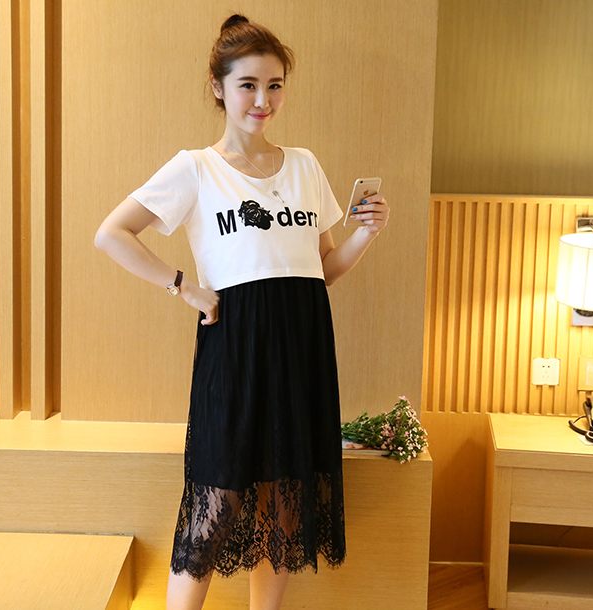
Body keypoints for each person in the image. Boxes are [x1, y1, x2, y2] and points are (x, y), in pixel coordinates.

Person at [94, 14, 389, 610]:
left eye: (275, 85)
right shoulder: (195, 168)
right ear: (219, 87)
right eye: (248, 85)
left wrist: (366, 233)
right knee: (216, 499)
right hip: (236, 347)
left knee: (284, 498)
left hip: (302, 345)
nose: (263, 100)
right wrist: (184, 287)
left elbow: (323, 269)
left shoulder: (304, 165)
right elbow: (112, 234)